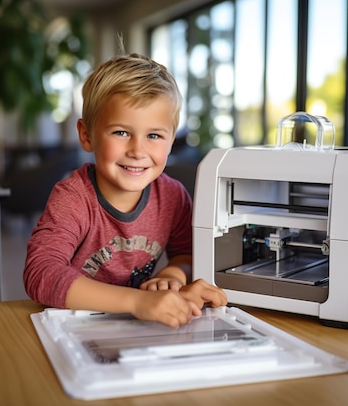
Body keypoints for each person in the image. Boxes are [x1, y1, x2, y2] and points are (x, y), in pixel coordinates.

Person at [23, 52, 227, 328]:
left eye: (154, 135)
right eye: (121, 132)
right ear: (86, 135)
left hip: (138, 325)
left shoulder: (173, 197)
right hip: (73, 325)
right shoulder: (73, 197)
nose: (137, 151)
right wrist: (137, 301)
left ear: (170, 140)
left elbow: (187, 254)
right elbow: (41, 273)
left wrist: (174, 276)